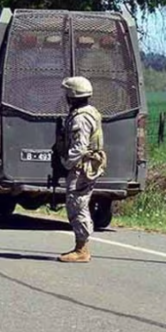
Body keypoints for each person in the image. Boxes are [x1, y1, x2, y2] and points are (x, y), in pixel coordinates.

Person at [57, 76, 107, 263]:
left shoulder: (81, 118)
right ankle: (80, 247)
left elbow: (79, 146)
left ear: (72, 95)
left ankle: (82, 250)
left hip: (82, 167)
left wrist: (66, 163)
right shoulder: (89, 112)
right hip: (85, 165)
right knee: (78, 202)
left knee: (77, 203)